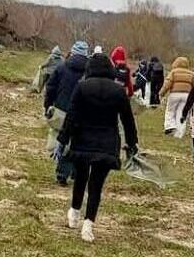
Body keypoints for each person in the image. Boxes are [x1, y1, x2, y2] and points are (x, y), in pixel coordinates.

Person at [54, 53, 138, 243]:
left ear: (90, 68)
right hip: (107, 143)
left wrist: (62, 140)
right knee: (96, 185)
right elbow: (128, 121)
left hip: (82, 139)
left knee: (81, 177)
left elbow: (71, 116)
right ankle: (88, 225)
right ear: (109, 69)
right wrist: (132, 144)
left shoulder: (82, 87)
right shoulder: (118, 91)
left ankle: (74, 213)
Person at [44, 41, 89, 186]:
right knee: (78, 141)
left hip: (61, 109)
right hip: (82, 112)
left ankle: (62, 173)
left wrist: (48, 105)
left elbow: (50, 87)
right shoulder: (89, 71)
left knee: (62, 139)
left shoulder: (62, 66)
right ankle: (76, 172)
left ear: (72, 52)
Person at [160, 56, 194, 138]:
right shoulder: (191, 73)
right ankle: (179, 134)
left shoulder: (173, 72)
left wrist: (161, 93)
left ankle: (170, 126)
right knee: (182, 114)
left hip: (174, 94)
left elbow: (167, 83)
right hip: (187, 96)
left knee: (170, 111)